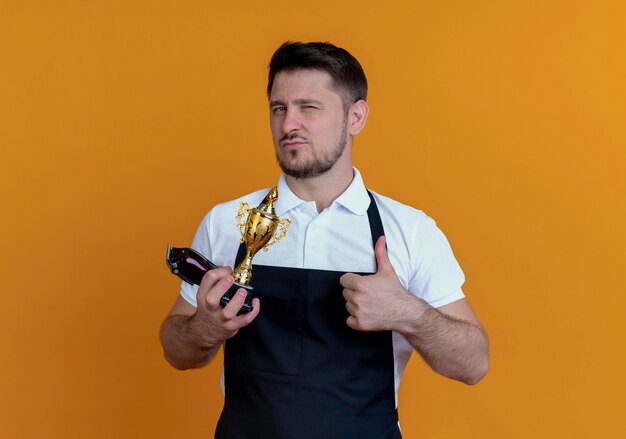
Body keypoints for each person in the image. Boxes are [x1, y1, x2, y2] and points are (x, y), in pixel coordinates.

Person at [160, 41, 489, 439]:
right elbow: (177, 351)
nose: (288, 124)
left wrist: (407, 313)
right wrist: (204, 328)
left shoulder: (409, 230)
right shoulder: (226, 222)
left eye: (308, 108)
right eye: (278, 108)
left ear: (356, 117)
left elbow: (473, 364)